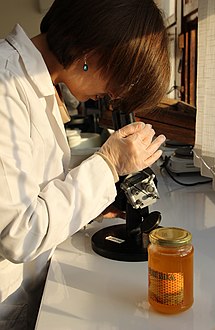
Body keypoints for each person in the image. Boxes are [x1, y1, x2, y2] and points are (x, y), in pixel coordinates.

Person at [0, 0, 170, 328]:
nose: (113, 94)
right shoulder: (5, 86)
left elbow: (30, 182)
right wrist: (107, 166)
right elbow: (18, 233)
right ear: (92, 50)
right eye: (119, 78)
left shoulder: (36, 82)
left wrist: (98, 195)